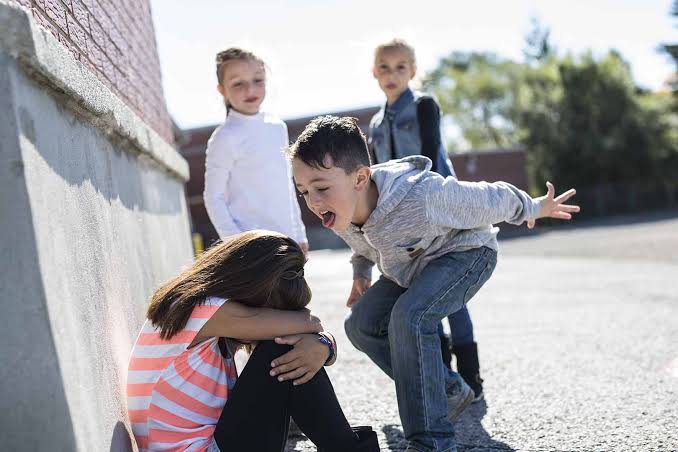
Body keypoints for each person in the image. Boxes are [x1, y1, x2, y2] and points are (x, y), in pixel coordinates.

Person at [287, 116, 579, 451]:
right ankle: (447, 390)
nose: (313, 201)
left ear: (360, 178)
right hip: (412, 267)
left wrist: (534, 206)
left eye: (321, 188)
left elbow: (488, 198)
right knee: (360, 324)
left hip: (466, 254)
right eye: (304, 191)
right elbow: (363, 245)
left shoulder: (421, 196)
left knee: (410, 317)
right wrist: (361, 274)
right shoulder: (341, 210)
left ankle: (432, 441)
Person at [127, 230, 379, 452]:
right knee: (282, 347)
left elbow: (311, 330)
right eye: (271, 311)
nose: (271, 319)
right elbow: (309, 323)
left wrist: (323, 346)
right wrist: (320, 341)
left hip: (210, 443)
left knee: (289, 348)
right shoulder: (201, 309)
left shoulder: (203, 311)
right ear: (251, 287)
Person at [367, 38, 482, 399]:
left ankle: (471, 377)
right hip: (400, 222)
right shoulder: (374, 123)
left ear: (413, 71)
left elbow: (431, 156)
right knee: (421, 295)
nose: (392, 74)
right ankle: (446, 380)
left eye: (401, 67)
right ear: (374, 72)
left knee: (452, 296)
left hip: (439, 212)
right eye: (384, 67)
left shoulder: (423, 106)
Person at [203, 47, 308, 254]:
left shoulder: (278, 127)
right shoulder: (225, 137)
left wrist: (299, 234)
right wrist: (237, 243)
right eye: (238, 84)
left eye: (257, 80)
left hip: (287, 241)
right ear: (222, 90)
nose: (250, 90)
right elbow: (213, 197)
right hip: (251, 247)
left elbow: (286, 186)